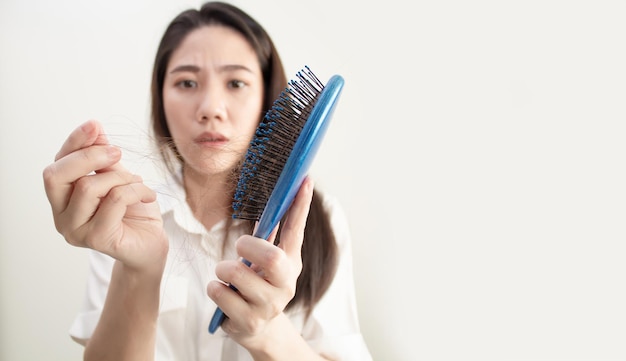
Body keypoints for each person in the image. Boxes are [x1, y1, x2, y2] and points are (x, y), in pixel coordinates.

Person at [42, 2, 371, 360]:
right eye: (186, 82)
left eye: (236, 82)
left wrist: (265, 332)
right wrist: (140, 270)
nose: (211, 107)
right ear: (160, 101)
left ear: (267, 99)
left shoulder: (320, 223)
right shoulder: (125, 218)